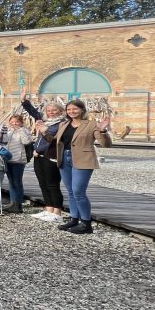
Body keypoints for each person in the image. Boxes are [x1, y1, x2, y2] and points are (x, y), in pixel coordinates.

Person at [41, 99, 112, 234]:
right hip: (64, 159)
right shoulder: (64, 124)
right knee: (71, 192)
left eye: (75, 109)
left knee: (78, 192)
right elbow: (55, 141)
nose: (71, 111)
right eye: (69, 109)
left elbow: (106, 144)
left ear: (82, 110)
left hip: (83, 159)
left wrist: (102, 131)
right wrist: (45, 132)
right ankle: (74, 219)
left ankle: (86, 223)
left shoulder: (91, 125)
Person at [22, 90, 66, 224]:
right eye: (49, 110)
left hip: (50, 157)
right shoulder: (44, 120)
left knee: (53, 184)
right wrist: (24, 100)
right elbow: (33, 112)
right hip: (38, 156)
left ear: (60, 111)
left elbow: (55, 141)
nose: (51, 112)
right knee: (43, 183)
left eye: (54, 110)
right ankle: (48, 209)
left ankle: (57, 212)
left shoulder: (62, 124)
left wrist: (44, 134)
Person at [0, 113, 33, 213]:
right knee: (11, 182)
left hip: (18, 160)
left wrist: (20, 129)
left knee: (17, 182)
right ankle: (12, 202)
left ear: (21, 122)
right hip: (8, 159)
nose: (14, 124)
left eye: (16, 122)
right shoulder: (9, 131)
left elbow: (26, 141)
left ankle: (18, 204)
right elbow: (3, 142)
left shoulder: (25, 131)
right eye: (12, 122)